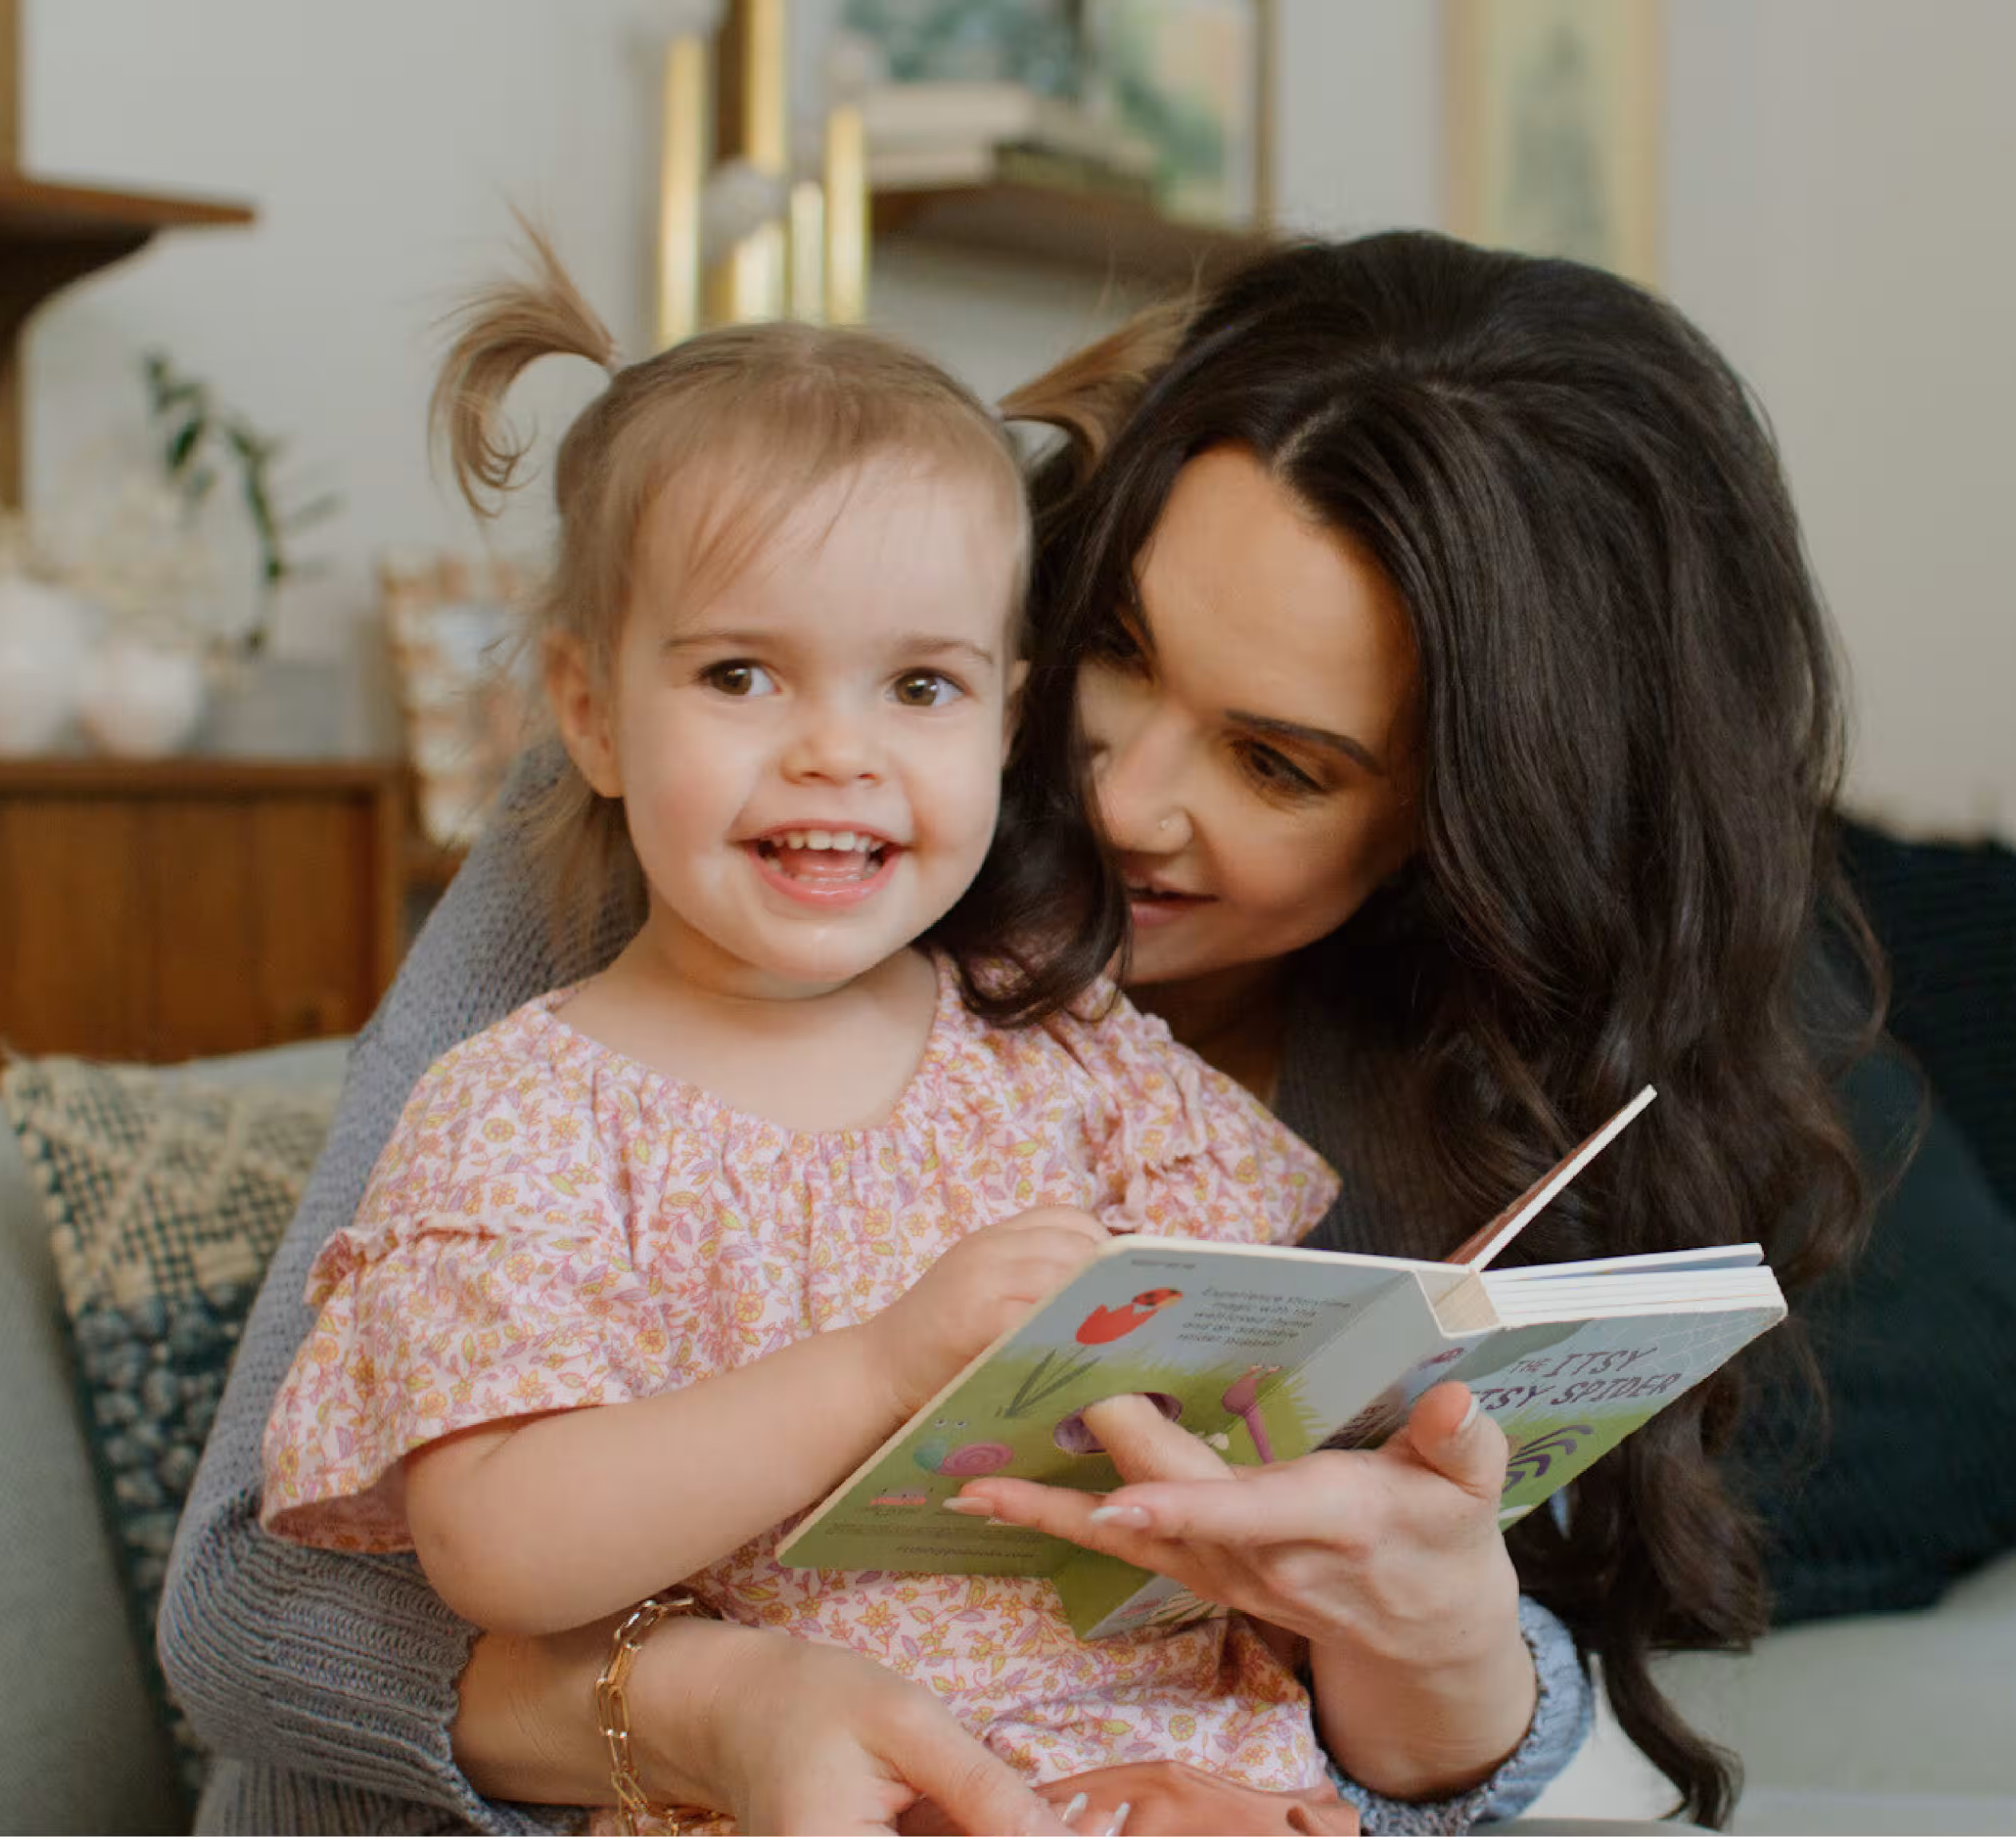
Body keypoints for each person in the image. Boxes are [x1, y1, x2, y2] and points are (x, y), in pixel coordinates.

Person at [164, 230, 1870, 1836]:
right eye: (1110, 650)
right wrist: (719, 1704)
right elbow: (246, 1604)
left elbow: (1368, 1677)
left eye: (1277, 764)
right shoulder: (724, 792)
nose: (1120, 791)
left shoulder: (1374, 1072)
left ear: (1484, 836)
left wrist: (1416, 1675)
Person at [249, 235, 1391, 1836]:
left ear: (1004, 716)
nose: (836, 754)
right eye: (740, 673)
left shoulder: (1084, 1064)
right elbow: (498, 1551)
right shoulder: (528, 1110)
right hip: (803, 1786)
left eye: (917, 688)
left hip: (1161, 1762)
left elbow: (1257, 1435)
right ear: (586, 711)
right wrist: (880, 1363)